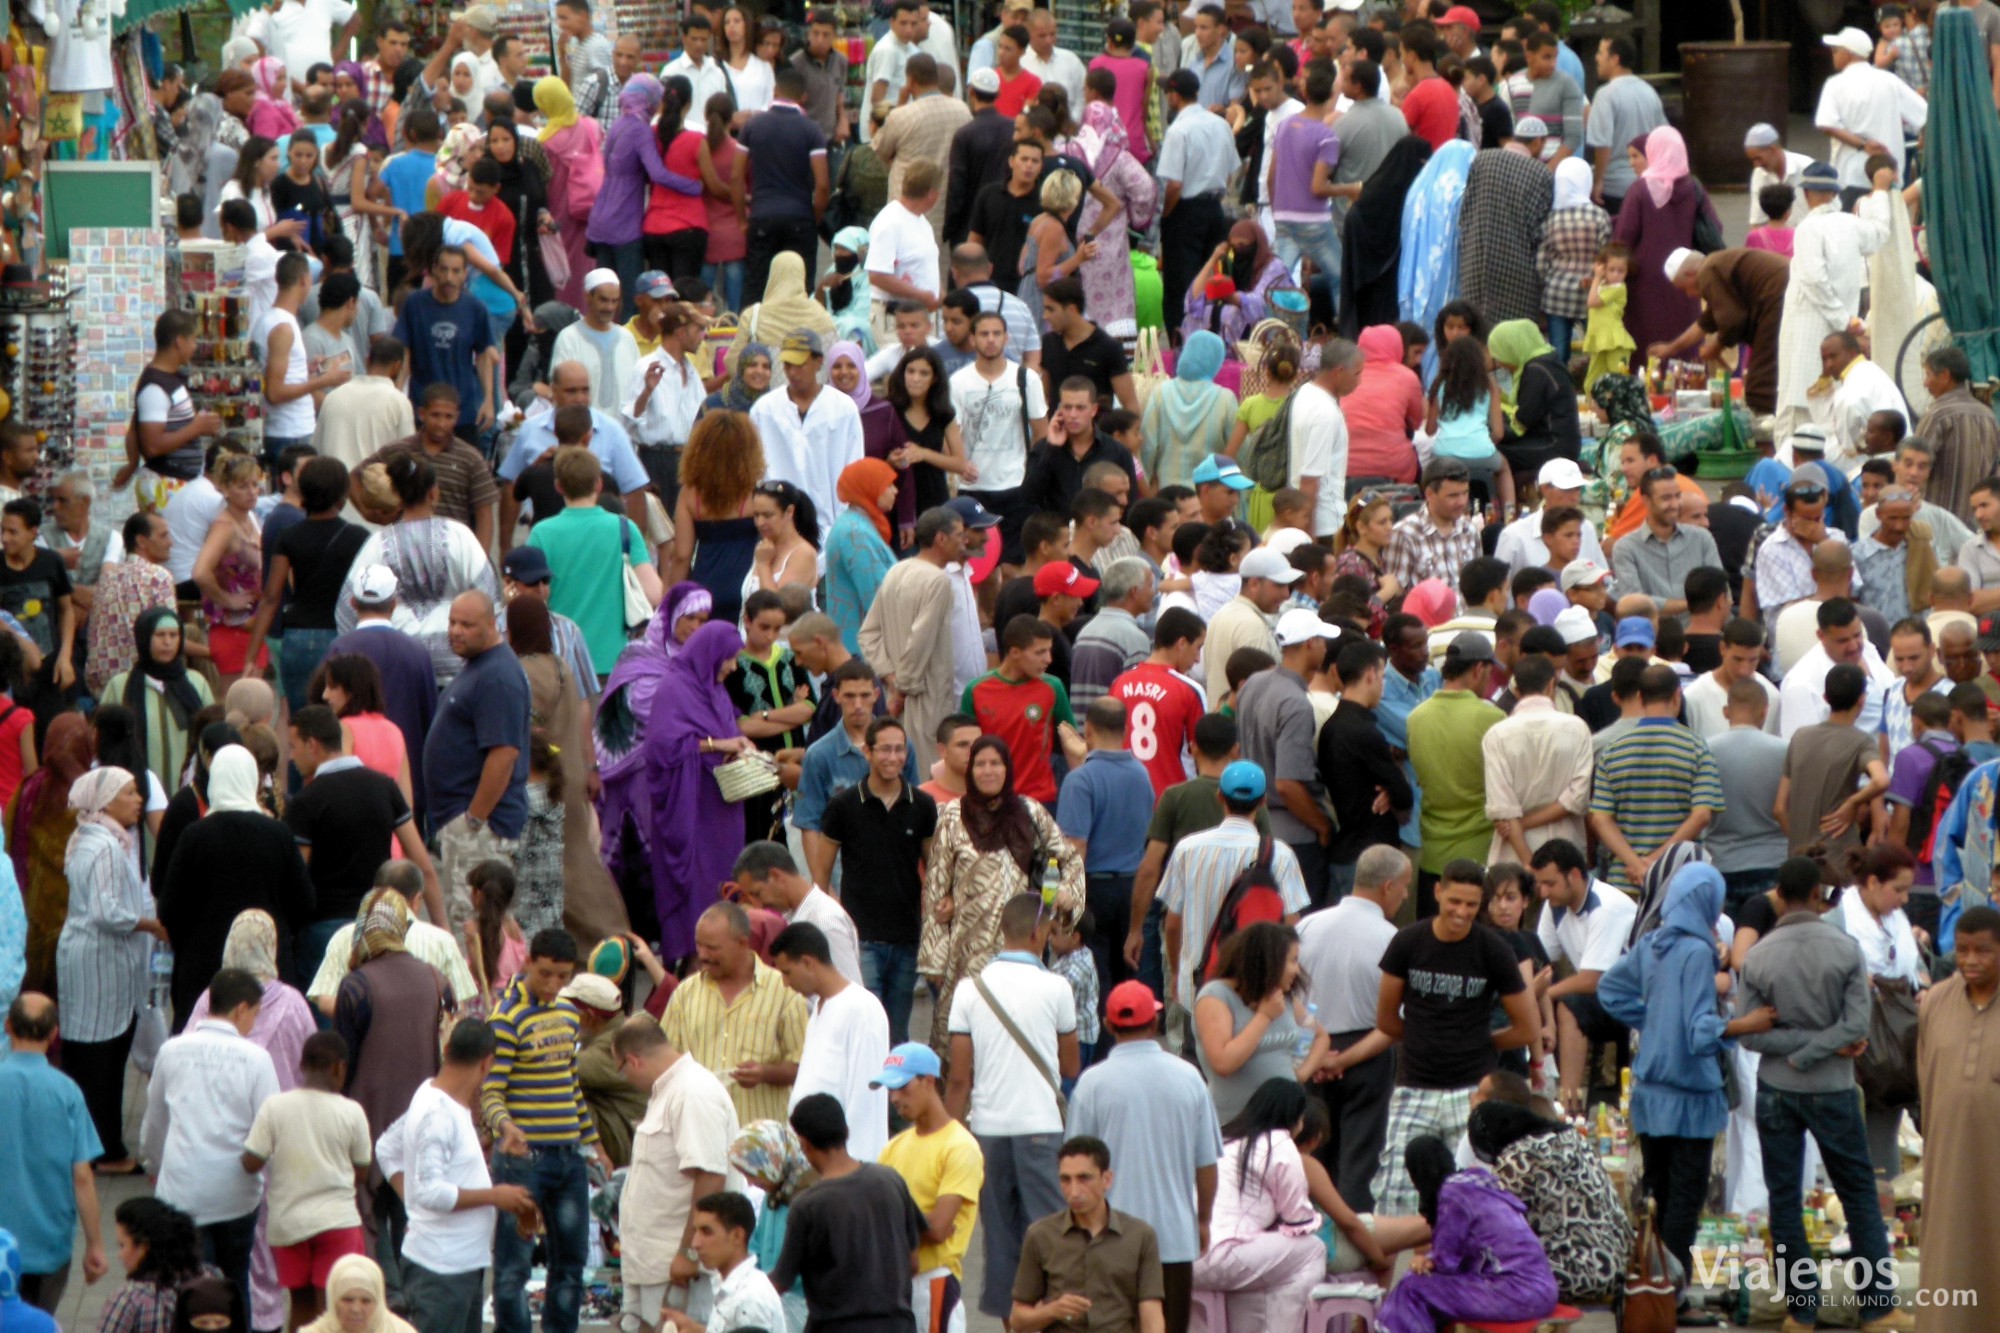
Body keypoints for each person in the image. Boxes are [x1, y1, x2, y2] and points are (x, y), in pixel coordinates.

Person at [1736, 855, 1905, 1330]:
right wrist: (1818, 1049)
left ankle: (1800, 1311)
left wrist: (1794, 1049)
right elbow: (1854, 1024)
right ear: (1817, 895)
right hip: (1832, 1086)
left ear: (1778, 895)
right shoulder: (1845, 948)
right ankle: (1878, 1306)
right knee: (1857, 1195)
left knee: (1784, 1199)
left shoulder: (1760, 956)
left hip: (1775, 1087)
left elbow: (1751, 1034)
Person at [1369, 861, 1538, 1217]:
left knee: (1475, 1198)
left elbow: (1527, 1027)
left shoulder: (1493, 949)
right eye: (1455, 902)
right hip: (1415, 1084)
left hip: (1470, 1087)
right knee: (1395, 1198)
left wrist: (1482, 1043)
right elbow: (1384, 1018)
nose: (1461, 913)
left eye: (1471, 905)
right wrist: (1421, 1037)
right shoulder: (1408, 942)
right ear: (1438, 893)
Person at [943, 891, 1077, 1323]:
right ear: (1040, 932)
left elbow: (960, 1078)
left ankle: (1013, 1327)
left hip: (988, 1129)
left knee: (1000, 1241)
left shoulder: (970, 990)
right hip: (1042, 1126)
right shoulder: (1057, 987)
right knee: (1051, 1235)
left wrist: (946, 1135)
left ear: (1004, 929)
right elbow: (1071, 1063)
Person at [480, 929, 606, 1333]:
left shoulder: (569, 1015)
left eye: (562, 976)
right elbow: (491, 1091)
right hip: (522, 1162)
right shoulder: (506, 1018)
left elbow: (571, 1086)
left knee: (570, 1264)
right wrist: (506, 1126)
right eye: (546, 973)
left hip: (569, 1157)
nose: (553, 985)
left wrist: (594, 1144)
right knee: (513, 1268)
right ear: (528, 962)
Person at [381, 1018, 537, 1333]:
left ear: (448, 1049)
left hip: (462, 1264)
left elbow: (386, 1149)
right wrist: (495, 1196)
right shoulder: (438, 1114)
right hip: (441, 1271)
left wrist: (413, 1204)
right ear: (487, 1063)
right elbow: (431, 1192)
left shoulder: (432, 1096)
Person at [142, 968, 281, 1317]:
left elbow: (154, 1122)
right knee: (235, 1287)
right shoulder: (257, 1060)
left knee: (187, 1291)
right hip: (237, 1194)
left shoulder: (171, 1051)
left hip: (182, 1192)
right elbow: (270, 1130)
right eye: (254, 1015)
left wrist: (154, 1166)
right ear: (241, 1009)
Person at [156, 748, 314, 1026]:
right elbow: (304, 902)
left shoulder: (195, 836)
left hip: (204, 969)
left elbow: (169, 908)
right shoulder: (277, 834)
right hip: (268, 965)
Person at [608, 1012, 741, 1333]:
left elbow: (710, 1178)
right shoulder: (669, 1091)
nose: (626, 1080)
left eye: (621, 1070)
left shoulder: (691, 1093)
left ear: (634, 1061)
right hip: (654, 1263)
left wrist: (689, 1252)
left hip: (676, 1265)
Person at [56, 768, 159, 1174]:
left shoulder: (89, 837)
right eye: (130, 793)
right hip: (100, 960)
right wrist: (149, 924)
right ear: (107, 801)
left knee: (86, 1051)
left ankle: (85, 1142)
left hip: (84, 957)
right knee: (104, 1055)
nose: (139, 800)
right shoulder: (105, 847)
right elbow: (106, 911)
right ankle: (107, 1150)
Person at [238, 1031, 373, 1330]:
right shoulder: (352, 1112)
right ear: (340, 1068)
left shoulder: (275, 1107)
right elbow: (362, 1171)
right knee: (338, 1302)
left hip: (288, 1223)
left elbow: (251, 1162)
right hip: (338, 1222)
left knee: (299, 1302)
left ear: (301, 1066)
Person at [337, 455, 502, 684]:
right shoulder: (460, 536)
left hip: (397, 668)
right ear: (434, 493)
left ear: (395, 494)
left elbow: (348, 607)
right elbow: (489, 599)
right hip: (459, 666)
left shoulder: (377, 544)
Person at [770, 1093, 928, 1331]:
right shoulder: (890, 1180)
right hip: (898, 1324)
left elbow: (781, 1282)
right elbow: (913, 1262)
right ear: (846, 1131)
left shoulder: (807, 1206)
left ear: (805, 1144)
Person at [1914, 903, 2000, 1333]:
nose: (1969, 960)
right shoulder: (1936, 1002)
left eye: (1982, 951)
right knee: (1950, 1254)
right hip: (1948, 1164)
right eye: (1962, 950)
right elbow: (1927, 1074)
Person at [423, 592, 530, 929]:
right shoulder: (480, 666)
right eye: (452, 622)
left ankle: (482, 984)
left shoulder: (498, 676)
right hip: (466, 824)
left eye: (467, 625)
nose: (455, 631)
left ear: (492, 624)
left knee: (476, 928)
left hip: (484, 829)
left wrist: (473, 819)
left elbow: (504, 754)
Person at [0, 993, 106, 1313]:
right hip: (49, 1244)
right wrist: (96, 1244)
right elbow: (83, 1176)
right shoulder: (67, 1092)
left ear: (8, 1026)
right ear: (54, 1034)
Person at [661, 900, 809, 1126]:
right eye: (699, 945)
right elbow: (666, 1061)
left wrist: (765, 1073)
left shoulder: (784, 991)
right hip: (700, 1134)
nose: (702, 955)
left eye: (713, 948)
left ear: (742, 943)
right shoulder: (685, 993)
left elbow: (803, 1065)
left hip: (758, 1142)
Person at [868, 1041, 982, 1333]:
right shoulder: (892, 1148)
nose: (894, 1098)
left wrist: (892, 1228)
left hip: (935, 1283)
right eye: (890, 1090)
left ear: (928, 1081)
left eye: (902, 1087)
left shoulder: (960, 1147)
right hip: (895, 1284)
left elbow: (938, 1229)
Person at [1156, 70, 1241, 340]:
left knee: (1181, 282)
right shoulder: (1220, 124)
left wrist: (1165, 216)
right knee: (1213, 278)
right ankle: (1212, 333)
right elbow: (1231, 171)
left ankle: (1181, 338)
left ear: (1174, 95)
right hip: (1214, 208)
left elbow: (1174, 185)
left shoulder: (1178, 130)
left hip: (1185, 210)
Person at [93, 1197, 212, 1333]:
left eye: (122, 1245)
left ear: (143, 1248)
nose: (119, 1255)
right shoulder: (211, 1277)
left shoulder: (129, 1300)